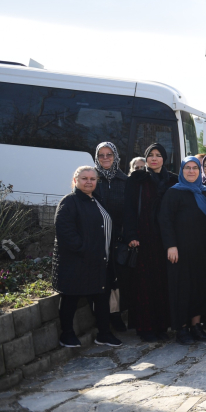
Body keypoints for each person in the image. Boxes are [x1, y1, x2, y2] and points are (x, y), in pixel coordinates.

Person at [53, 166, 122, 348]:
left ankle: (104, 334)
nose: (89, 182)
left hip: (100, 261)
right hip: (78, 261)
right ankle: (67, 335)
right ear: (75, 180)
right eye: (84, 178)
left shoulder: (97, 200)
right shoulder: (69, 201)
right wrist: (85, 250)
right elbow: (65, 232)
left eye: (92, 179)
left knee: (101, 298)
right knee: (71, 297)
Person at [159, 157, 206, 345]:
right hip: (180, 252)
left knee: (200, 288)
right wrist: (171, 245)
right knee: (182, 289)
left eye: (195, 168)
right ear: (181, 171)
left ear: (200, 171)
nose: (191, 171)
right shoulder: (173, 193)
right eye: (187, 168)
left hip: (203, 251)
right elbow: (165, 220)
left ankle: (196, 326)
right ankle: (182, 328)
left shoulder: (205, 193)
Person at [124, 143, 177, 342]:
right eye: (151, 155)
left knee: (163, 282)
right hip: (143, 238)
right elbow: (129, 209)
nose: (154, 158)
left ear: (164, 158)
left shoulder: (173, 180)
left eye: (158, 155)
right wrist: (131, 235)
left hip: (165, 238)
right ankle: (145, 327)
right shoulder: (137, 179)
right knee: (144, 283)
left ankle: (162, 326)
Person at [92, 142, 128, 333]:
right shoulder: (92, 178)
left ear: (115, 156)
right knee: (100, 278)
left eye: (109, 154)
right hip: (97, 238)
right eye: (101, 155)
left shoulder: (124, 180)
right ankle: (100, 317)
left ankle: (116, 315)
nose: (105, 158)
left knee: (116, 278)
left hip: (118, 238)